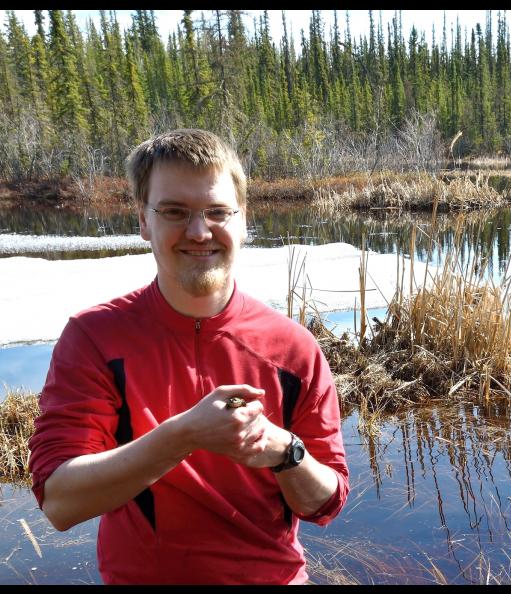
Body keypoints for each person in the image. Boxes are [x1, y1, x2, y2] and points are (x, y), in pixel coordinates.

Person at [28, 129, 349, 585]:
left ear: (242, 221)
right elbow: (60, 502)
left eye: (217, 212)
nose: (199, 232)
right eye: (175, 212)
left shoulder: (293, 348)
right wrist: (183, 436)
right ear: (143, 220)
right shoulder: (95, 338)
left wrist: (284, 452)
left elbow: (326, 503)